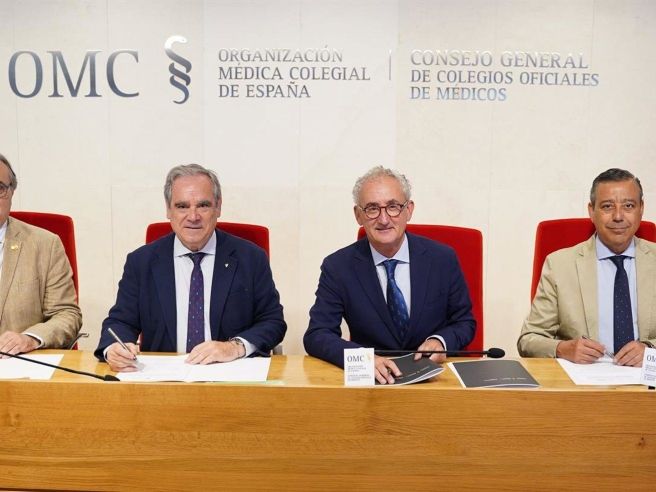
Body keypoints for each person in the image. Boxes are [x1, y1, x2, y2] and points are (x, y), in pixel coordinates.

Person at [95, 164, 286, 371]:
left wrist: (234, 347)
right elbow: (120, 322)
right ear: (169, 210)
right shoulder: (141, 262)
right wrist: (114, 349)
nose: (193, 216)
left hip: (231, 374)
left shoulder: (251, 258)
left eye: (203, 205)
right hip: (162, 378)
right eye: (182, 206)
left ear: (218, 207)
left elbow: (273, 321)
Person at [303, 166, 476, 383]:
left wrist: (440, 341)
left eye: (393, 207)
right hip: (373, 381)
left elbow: (464, 322)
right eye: (372, 209)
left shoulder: (442, 259)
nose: (384, 219)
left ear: (408, 210)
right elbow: (317, 334)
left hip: (434, 379)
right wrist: (362, 359)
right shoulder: (338, 266)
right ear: (358, 215)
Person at [518, 168, 656, 367]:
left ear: (641, 209)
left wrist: (651, 351)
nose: (618, 216)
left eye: (628, 206)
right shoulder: (559, 265)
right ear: (592, 211)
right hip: (584, 379)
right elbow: (528, 339)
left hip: (646, 379)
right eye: (607, 206)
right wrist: (562, 349)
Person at [0, 153, 81, 356]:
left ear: (11, 192)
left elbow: (66, 315)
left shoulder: (45, 245)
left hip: (20, 365)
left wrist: (30, 338)